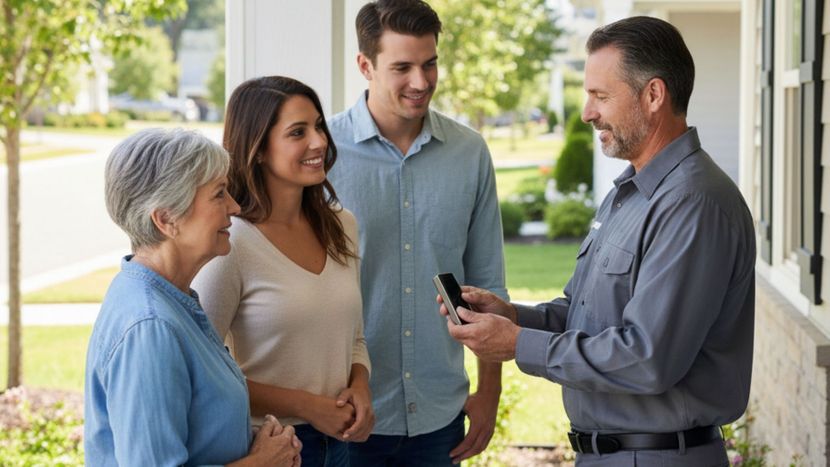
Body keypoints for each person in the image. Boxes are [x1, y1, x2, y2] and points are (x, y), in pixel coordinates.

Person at [441, 16, 755, 467]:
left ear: (653, 95)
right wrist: (514, 316)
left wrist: (517, 344)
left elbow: (648, 358)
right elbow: (586, 316)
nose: (587, 113)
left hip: (659, 457)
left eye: (600, 96)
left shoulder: (694, 203)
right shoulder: (630, 194)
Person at [326, 1, 508, 465]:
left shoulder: (469, 153)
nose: (421, 82)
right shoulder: (322, 155)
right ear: (365, 65)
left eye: (430, 64)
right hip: (345, 416)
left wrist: (489, 393)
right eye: (402, 67)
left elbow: (488, 283)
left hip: (439, 416)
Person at [84, 128, 301, 466]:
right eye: (219, 194)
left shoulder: (171, 299)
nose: (234, 205)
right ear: (166, 219)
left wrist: (255, 444)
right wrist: (262, 463)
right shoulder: (150, 328)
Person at [193, 76, 373, 467]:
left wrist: (361, 385)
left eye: (318, 126)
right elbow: (202, 371)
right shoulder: (232, 243)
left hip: (340, 445)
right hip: (269, 447)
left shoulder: (343, 226)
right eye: (297, 132)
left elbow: (353, 336)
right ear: (257, 149)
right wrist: (308, 407)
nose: (319, 142)